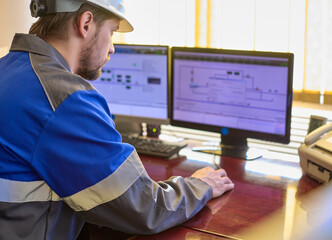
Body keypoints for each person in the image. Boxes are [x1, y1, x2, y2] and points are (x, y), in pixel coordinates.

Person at [0, 1, 234, 239]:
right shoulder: (63, 97)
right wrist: (201, 185)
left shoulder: (8, 70)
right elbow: (144, 209)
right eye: (111, 32)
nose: (112, 48)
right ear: (86, 23)